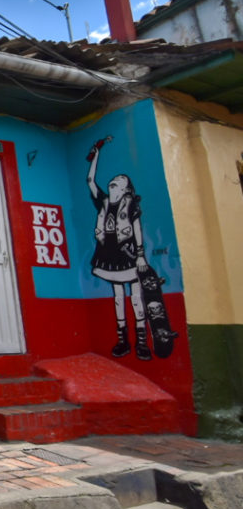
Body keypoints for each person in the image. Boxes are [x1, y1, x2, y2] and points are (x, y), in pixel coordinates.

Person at [86, 136, 151, 359]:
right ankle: (123, 339)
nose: (113, 183)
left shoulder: (130, 204)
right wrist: (96, 156)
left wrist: (141, 255)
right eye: (112, 181)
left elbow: (137, 229)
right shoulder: (104, 202)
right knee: (117, 297)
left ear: (125, 189)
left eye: (118, 182)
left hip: (128, 254)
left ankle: (141, 340)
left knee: (135, 295)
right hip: (108, 254)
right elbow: (90, 181)